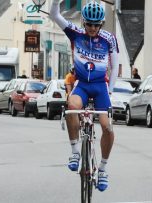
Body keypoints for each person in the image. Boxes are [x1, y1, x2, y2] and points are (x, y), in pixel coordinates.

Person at [50, 0, 119, 192]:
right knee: (72, 106)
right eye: (89, 24)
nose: (92, 28)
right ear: (83, 21)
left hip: (100, 87)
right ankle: (74, 152)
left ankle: (103, 169)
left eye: (97, 25)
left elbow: (115, 67)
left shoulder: (109, 38)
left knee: (107, 126)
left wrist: (111, 91)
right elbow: (55, 15)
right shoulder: (75, 33)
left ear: (102, 24)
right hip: (82, 84)